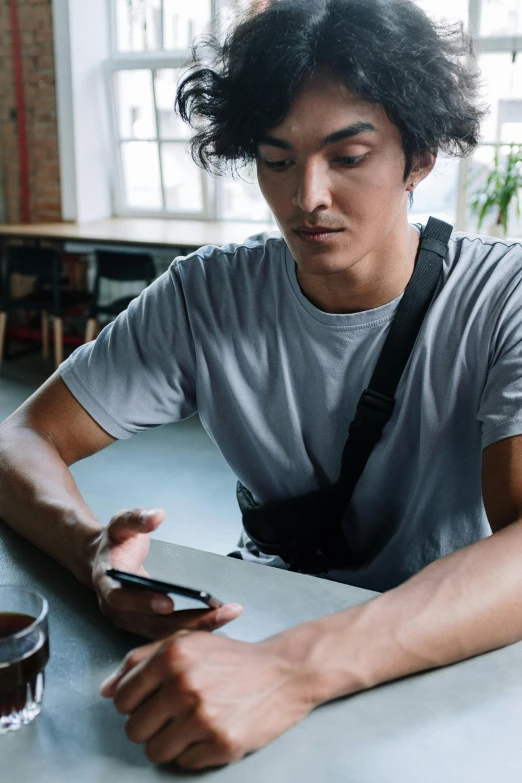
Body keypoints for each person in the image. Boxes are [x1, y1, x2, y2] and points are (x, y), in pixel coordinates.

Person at [1, 0, 521, 770]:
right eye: (277, 160)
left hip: (442, 648)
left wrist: (290, 670)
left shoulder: (502, 297)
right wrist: (95, 560)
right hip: (252, 622)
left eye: (347, 157)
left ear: (419, 157)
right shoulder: (208, 294)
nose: (306, 196)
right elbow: (21, 437)